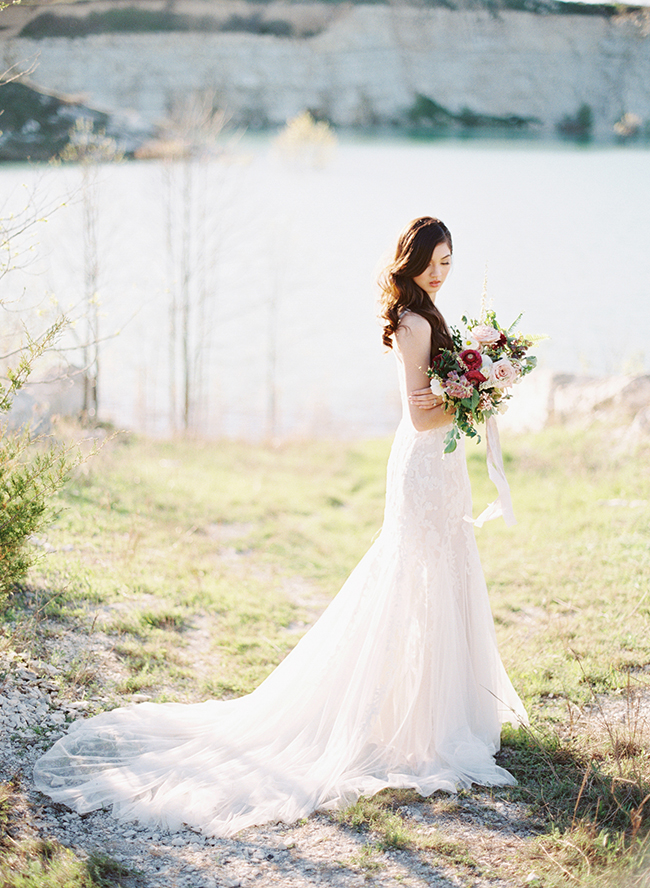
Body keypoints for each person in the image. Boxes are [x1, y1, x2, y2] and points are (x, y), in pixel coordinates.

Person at [34, 216, 526, 838]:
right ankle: (410, 724)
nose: (439, 270)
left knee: (446, 582)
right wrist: (476, 395)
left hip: (442, 468)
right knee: (411, 586)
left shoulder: (431, 312)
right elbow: (421, 413)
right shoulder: (411, 321)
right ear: (409, 259)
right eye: (431, 258)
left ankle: (442, 712)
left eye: (449, 261)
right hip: (424, 466)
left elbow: (440, 402)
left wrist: (477, 386)